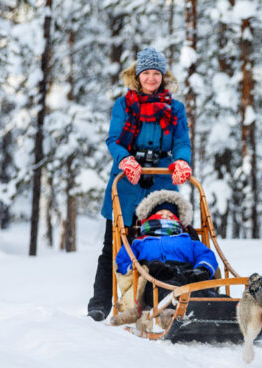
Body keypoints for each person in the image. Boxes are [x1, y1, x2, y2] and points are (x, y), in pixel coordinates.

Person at [87, 46, 193, 321]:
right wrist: (126, 160)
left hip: (161, 179)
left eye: (155, 73)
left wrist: (181, 161)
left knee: (168, 238)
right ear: (137, 75)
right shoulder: (124, 105)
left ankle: (172, 296)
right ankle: (100, 303)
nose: (151, 78)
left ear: (163, 76)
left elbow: (181, 141)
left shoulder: (175, 108)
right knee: (115, 243)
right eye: (146, 73)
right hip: (127, 182)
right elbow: (114, 140)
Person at [110, 190, 218, 327]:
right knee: (167, 293)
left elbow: (206, 255)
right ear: (149, 218)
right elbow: (123, 262)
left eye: (170, 216)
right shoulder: (139, 242)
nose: (165, 217)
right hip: (155, 278)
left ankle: (228, 309)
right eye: (160, 215)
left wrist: (202, 268)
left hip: (187, 274)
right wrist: (143, 266)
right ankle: (173, 314)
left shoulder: (188, 240)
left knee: (203, 290)